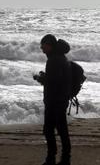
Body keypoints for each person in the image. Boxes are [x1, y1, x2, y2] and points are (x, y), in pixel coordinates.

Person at [33, 34, 72, 165]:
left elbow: (54, 81)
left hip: (55, 101)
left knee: (50, 130)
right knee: (61, 130)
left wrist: (41, 78)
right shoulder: (60, 57)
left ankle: (53, 159)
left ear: (49, 45)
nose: (41, 49)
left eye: (43, 46)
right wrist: (46, 77)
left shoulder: (54, 60)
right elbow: (57, 79)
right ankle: (63, 158)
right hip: (60, 99)